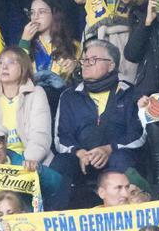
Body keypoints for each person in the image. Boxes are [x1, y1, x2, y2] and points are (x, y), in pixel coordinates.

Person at [52, 39, 145, 203]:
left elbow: (138, 135)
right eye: (85, 60)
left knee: (122, 159)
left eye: (93, 60)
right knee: (61, 163)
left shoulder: (129, 93)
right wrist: (79, 153)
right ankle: (54, 221)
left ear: (111, 65)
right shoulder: (69, 96)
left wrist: (108, 149)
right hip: (82, 160)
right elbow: (62, 138)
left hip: (116, 156)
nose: (86, 64)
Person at [0, 47, 53, 169]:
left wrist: (27, 162)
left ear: (23, 67)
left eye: (11, 62)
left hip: (30, 163)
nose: (4, 67)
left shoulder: (36, 93)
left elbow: (40, 135)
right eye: (0, 63)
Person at [18, 0, 80, 95]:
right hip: (32, 100)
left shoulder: (73, 45)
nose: (35, 17)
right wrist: (24, 41)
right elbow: (16, 74)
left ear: (54, 13)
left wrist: (75, 67)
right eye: (32, 13)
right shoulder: (26, 44)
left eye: (41, 12)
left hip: (61, 99)